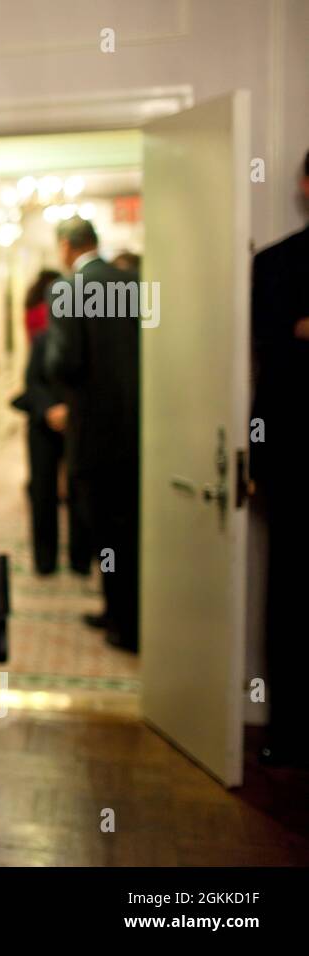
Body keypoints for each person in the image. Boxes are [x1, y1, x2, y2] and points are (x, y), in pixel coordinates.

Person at [45, 216, 141, 651]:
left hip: (93, 431)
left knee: (105, 528)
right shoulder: (132, 282)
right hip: (137, 428)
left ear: (66, 247)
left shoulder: (70, 289)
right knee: (130, 528)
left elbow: (64, 362)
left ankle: (122, 622)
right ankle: (124, 614)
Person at [250, 149, 309, 767]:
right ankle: (287, 728)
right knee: (290, 600)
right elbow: (274, 354)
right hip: (293, 462)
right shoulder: (278, 263)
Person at [13, 270, 90, 577]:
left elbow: (89, 384)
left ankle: (80, 559)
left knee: (78, 491)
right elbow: (32, 382)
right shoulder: (43, 340)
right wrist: (50, 410)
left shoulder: (86, 341)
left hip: (76, 424)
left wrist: (69, 411)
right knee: (43, 492)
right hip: (43, 424)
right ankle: (45, 561)